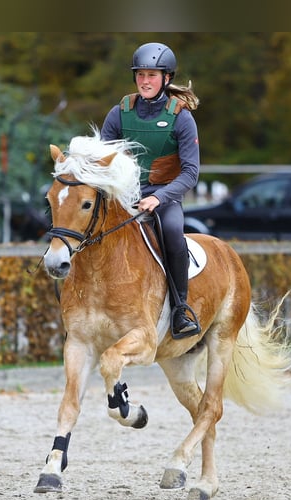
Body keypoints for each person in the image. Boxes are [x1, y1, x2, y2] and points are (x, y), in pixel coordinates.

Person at [100, 41, 201, 339]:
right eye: (141, 74)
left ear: (166, 78)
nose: (145, 81)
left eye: (152, 75)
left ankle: (180, 309)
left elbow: (191, 172)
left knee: (171, 231)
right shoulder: (119, 113)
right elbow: (103, 159)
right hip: (124, 196)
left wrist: (158, 197)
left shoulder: (181, 117)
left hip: (164, 197)